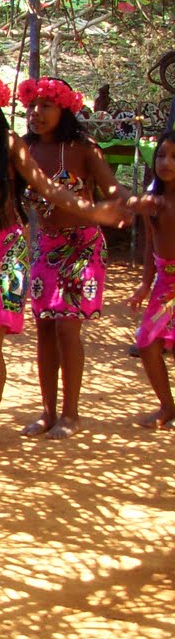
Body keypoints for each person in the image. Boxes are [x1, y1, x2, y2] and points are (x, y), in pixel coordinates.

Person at [0, 67, 130, 456]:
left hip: (13, 251)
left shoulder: (12, 145)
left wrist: (101, 211)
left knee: (0, 339)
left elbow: (48, 189)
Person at [17, 76, 120, 439]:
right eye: (32, 106)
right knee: (45, 327)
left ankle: (71, 414)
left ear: (64, 109)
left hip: (83, 245)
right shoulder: (23, 150)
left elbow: (112, 189)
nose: (36, 113)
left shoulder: (83, 148)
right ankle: (47, 412)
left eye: (46, 106)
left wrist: (123, 205)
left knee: (66, 326)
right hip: (47, 245)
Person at [128, 131, 175, 428]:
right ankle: (167, 406)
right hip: (163, 284)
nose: (166, 162)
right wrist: (145, 284)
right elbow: (150, 243)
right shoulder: (151, 201)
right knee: (146, 343)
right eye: (160, 155)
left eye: (174, 157)